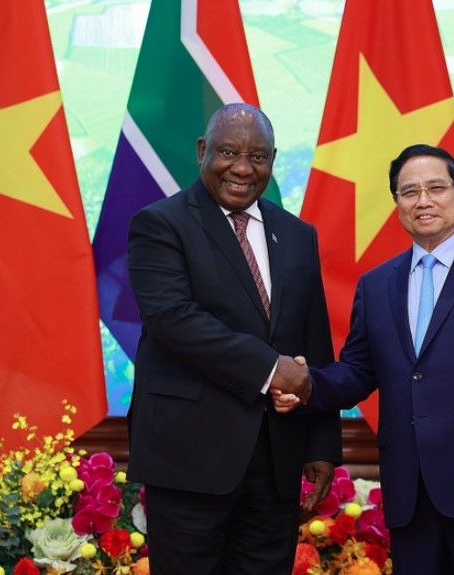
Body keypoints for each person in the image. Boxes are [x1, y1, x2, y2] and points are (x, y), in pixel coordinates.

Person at [274, 144, 454, 575]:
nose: (423, 200)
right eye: (409, 191)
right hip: (411, 492)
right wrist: (306, 385)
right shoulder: (377, 285)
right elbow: (358, 371)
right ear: (397, 203)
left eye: (436, 188)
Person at [126, 102, 341, 575]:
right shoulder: (160, 224)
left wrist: (322, 442)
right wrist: (271, 369)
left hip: (276, 459)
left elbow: (314, 340)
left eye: (258, 157)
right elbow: (173, 320)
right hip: (189, 458)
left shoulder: (298, 234)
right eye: (228, 152)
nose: (243, 168)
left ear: (273, 160)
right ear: (202, 151)